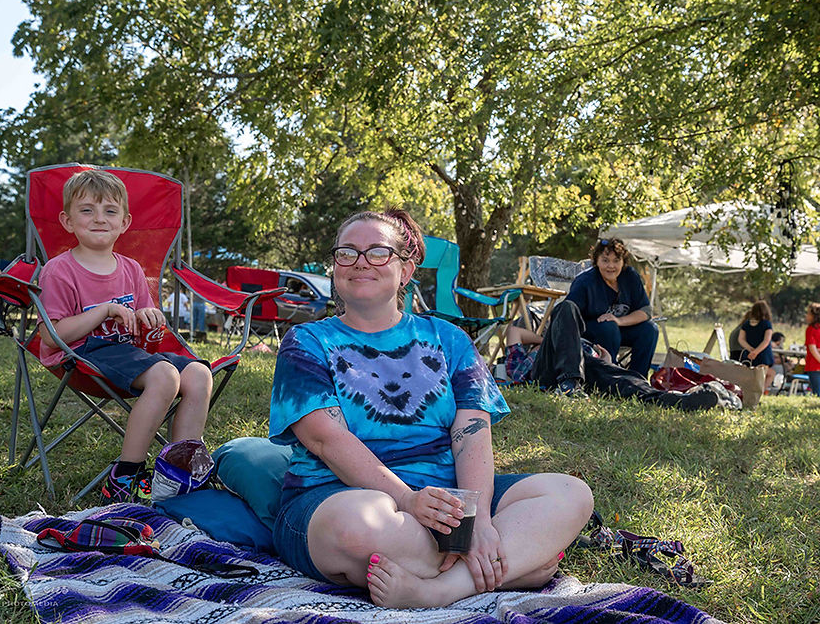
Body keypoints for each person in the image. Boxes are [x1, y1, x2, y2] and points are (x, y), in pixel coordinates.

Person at [269, 208, 593, 609]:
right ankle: (517, 566)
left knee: (569, 492)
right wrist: (408, 501)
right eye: (347, 253)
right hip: (337, 496)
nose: (360, 263)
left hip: (451, 500)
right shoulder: (306, 341)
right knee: (357, 523)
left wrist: (479, 521)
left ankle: (440, 588)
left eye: (377, 252)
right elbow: (327, 441)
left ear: (405, 270)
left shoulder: (449, 339)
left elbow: (472, 432)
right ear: (335, 266)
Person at [37, 169, 214, 504]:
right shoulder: (60, 270)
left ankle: (178, 471)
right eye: (87, 210)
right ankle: (125, 475)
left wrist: (152, 319)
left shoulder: (131, 269)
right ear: (67, 221)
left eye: (110, 211)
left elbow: (148, 326)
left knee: (199, 373)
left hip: (127, 353)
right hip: (82, 353)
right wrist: (103, 310)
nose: (99, 218)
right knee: (164, 376)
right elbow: (50, 335)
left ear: (124, 222)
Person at [503, 300, 718, 410]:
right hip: (547, 375)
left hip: (585, 370)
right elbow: (513, 332)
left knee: (624, 380)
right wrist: (554, 339)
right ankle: (569, 385)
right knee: (566, 306)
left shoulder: (576, 344)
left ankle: (672, 401)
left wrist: (606, 362)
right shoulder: (534, 353)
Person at [565, 238, 658, 377]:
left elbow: (645, 311)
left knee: (650, 329)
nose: (611, 266)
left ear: (623, 261)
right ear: (596, 261)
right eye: (605, 260)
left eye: (616, 260)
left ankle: (637, 379)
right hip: (590, 331)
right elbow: (568, 312)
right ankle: (609, 377)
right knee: (609, 327)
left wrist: (619, 320)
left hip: (619, 328)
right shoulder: (585, 282)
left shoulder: (630, 276)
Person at [737, 300, 776, 391]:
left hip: (749, 354)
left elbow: (741, 339)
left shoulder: (746, 324)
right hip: (762, 355)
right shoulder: (766, 324)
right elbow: (766, 340)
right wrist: (756, 352)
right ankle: (760, 392)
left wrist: (750, 349)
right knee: (765, 376)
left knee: (752, 376)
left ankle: (750, 392)